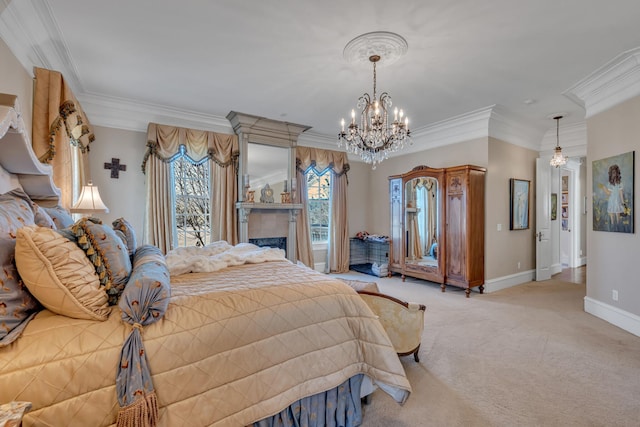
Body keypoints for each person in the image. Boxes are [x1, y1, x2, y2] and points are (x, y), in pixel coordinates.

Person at [599, 164, 625, 231]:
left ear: (617, 173)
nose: (614, 174)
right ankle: (613, 228)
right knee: (612, 216)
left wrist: (623, 203)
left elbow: (621, 193)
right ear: (611, 174)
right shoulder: (609, 183)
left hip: (617, 201)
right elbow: (608, 193)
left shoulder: (620, 183)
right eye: (613, 173)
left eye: (615, 173)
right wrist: (604, 188)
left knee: (618, 215)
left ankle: (618, 228)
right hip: (611, 201)